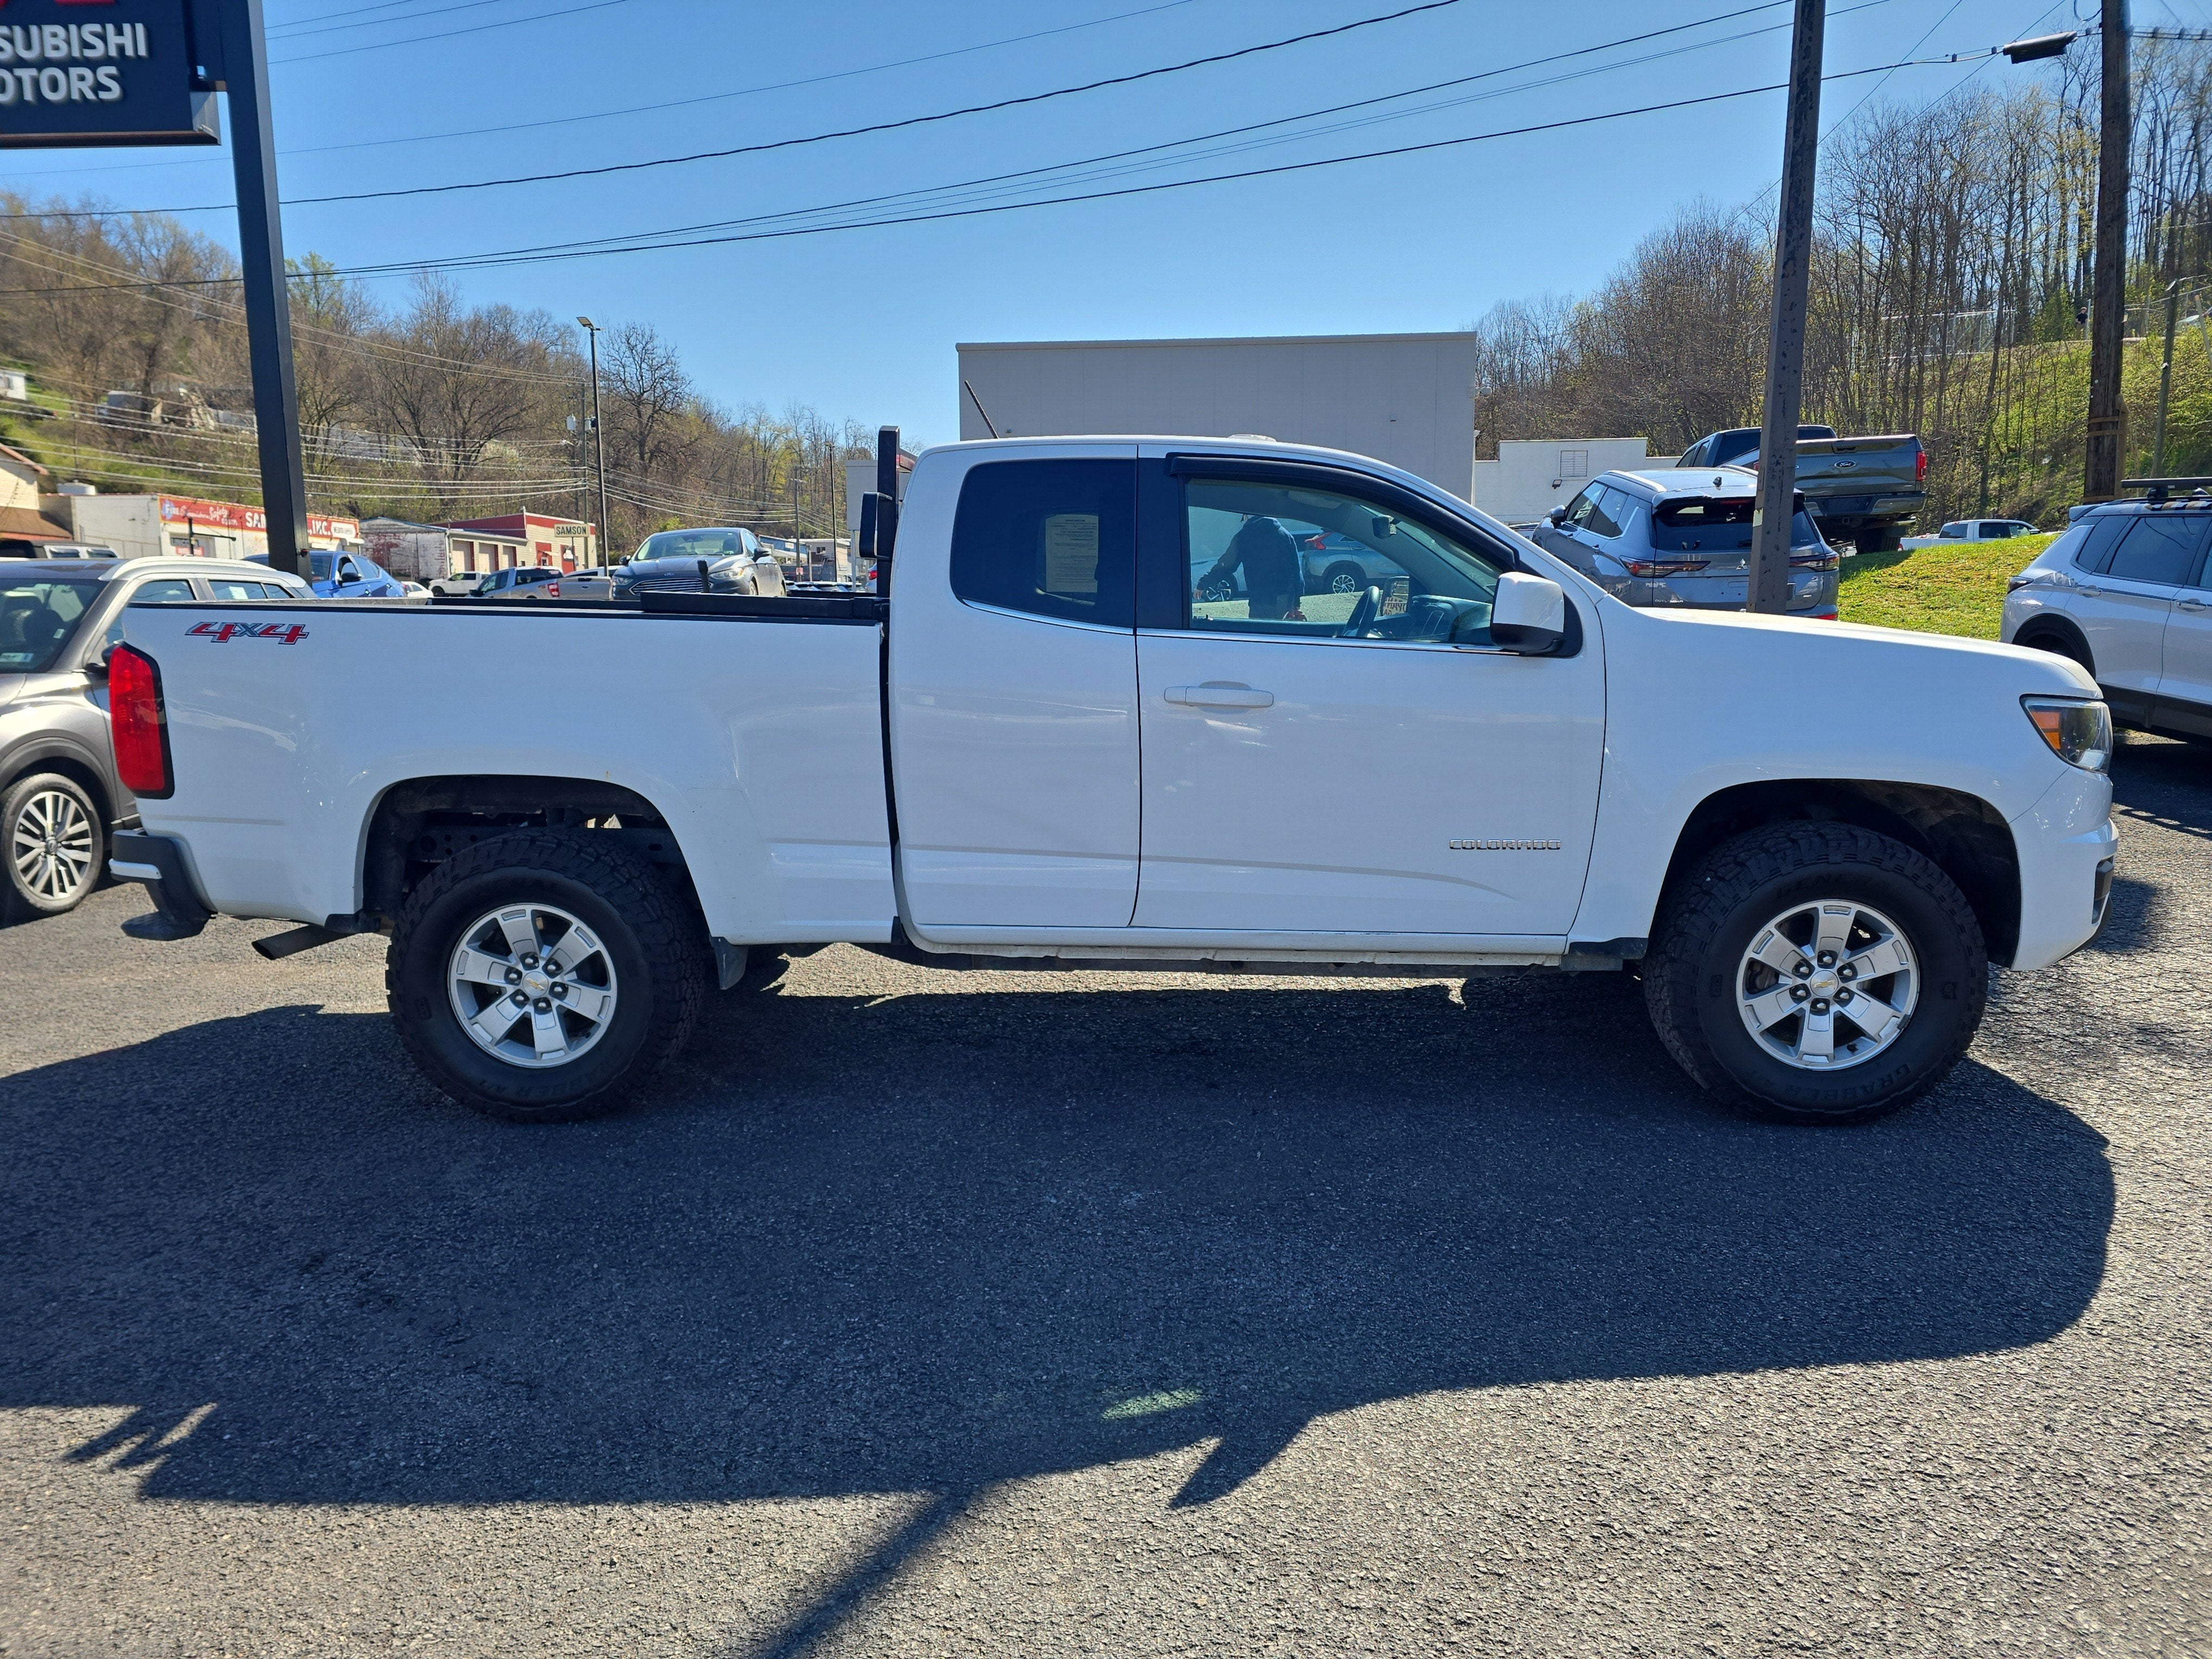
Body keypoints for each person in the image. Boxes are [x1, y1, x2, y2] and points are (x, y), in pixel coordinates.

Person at [1203, 516, 1305, 621]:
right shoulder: (1285, 535)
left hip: (1259, 598)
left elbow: (1226, 565)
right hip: (1284, 598)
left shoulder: (1243, 536)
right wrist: (1296, 602)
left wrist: (1205, 583)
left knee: (1260, 633)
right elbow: (1297, 572)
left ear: (1247, 517)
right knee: (1283, 633)